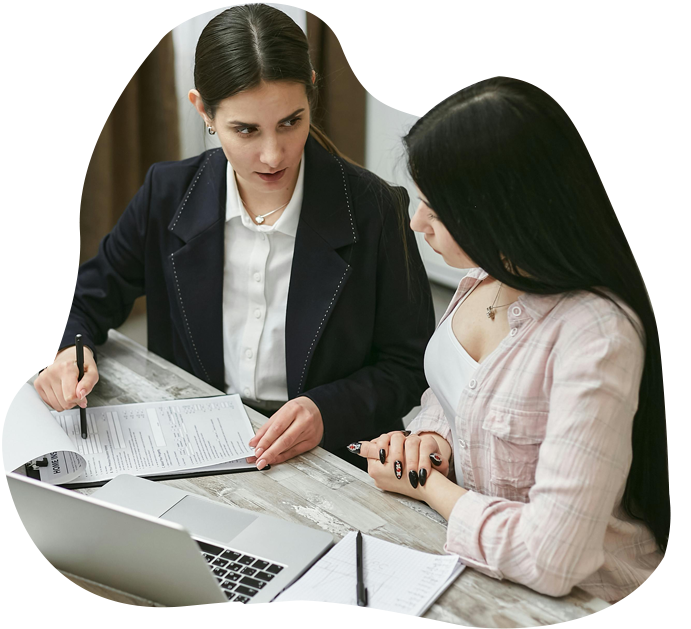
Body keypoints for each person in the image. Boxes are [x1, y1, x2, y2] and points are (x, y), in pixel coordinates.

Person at [34, 3, 434, 470]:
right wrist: (69, 350)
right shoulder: (167, 193)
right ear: (203, 110)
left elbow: (410, 365)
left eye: (291, 122)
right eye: (246, 130)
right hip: (194, 444)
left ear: (311, 91)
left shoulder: (374, 209)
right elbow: (85, 296)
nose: (273, 155)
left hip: (330, 457)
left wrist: (326, 410)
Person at [350, 77, 669, 602]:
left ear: (502, 211)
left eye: (435, 209)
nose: (415, 222)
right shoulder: (487, 273)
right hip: (474, 570)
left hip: (578, 600)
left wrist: (429, 486)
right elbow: (456, 396)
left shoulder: (596, 334)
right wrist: (433, 443)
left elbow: (552, 558)